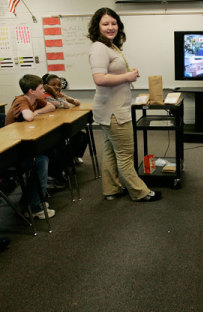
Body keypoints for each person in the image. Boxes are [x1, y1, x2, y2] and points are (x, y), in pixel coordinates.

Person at [88, 8, 161, 202]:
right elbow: (99, 78)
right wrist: (127, 76)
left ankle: (111, 189)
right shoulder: (98, 47)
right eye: (105, 24)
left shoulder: (110, 46)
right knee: (125, 153)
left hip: (111, 109)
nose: (110, 27)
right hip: (114, 112)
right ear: (97, 26)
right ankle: (140, 192)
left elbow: (112, 73)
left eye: (113, 23)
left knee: (111, 151)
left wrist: (128, 73)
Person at [5, 74, 56, 219]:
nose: (43, 90)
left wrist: (37, 111)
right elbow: (28, 116)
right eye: (40, 88)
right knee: (41, 161)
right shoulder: (22, 100)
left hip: (24, 145)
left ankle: (31, 200)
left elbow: (51, 106)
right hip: (10, 152)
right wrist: (33, 113)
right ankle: (35, 207)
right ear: (31, 91)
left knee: (48, 151)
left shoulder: (35, 99)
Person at [42, 73, 88, 166]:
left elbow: (77, 102)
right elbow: (65, 105)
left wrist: (62, 94)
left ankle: (73, 157)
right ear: (46, 86)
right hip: (49, 128)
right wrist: (57, 94)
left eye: (59, 85)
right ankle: (64, 163)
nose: (57, 87)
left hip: (60, 123)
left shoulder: (57, 95)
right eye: (53, 85)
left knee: (82, 136)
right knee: (62, 144)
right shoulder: (45, 96)